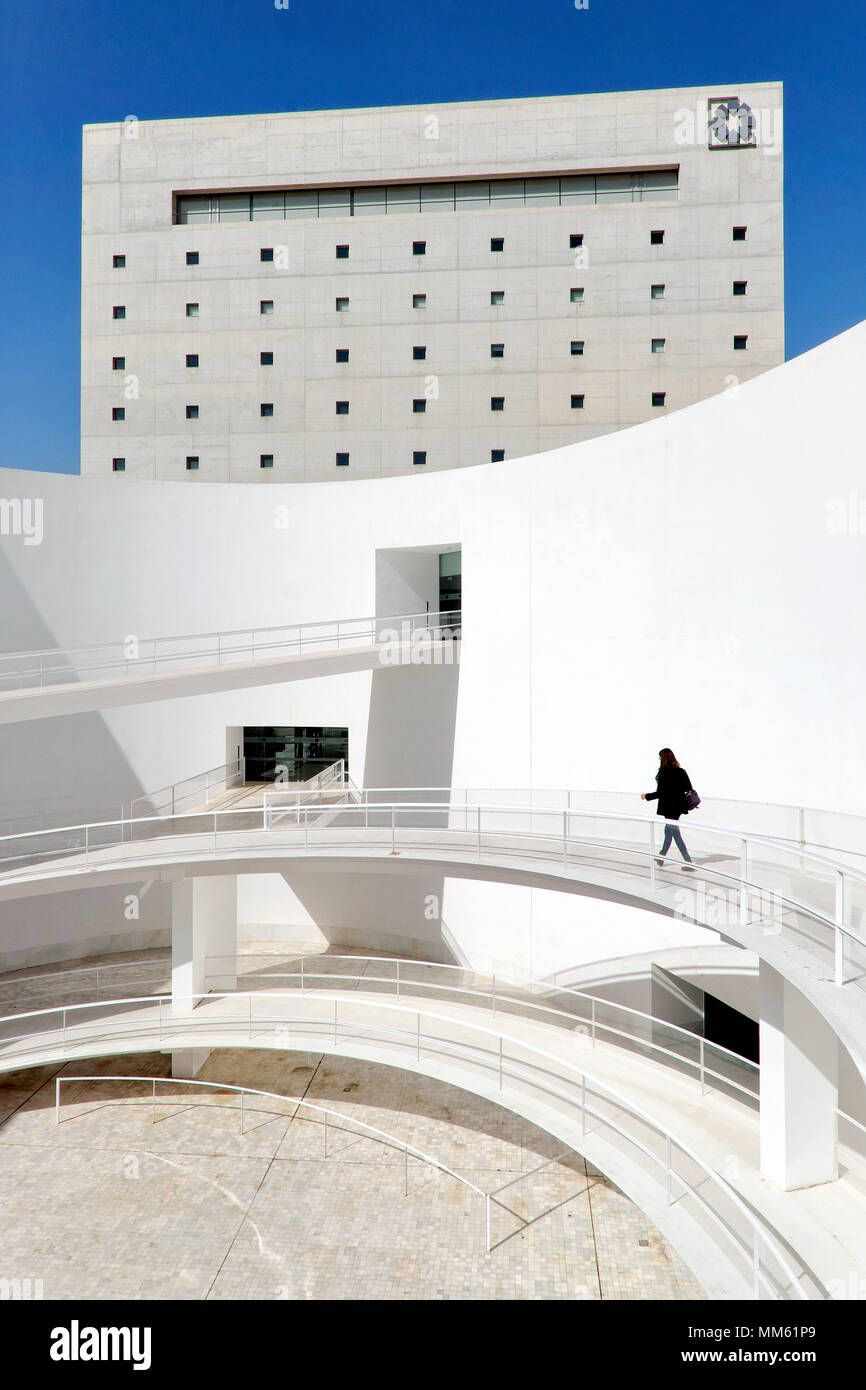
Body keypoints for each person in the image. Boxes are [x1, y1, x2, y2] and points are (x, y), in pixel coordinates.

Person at [641, 748, 695, 870]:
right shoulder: (681, 771)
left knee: (675, 833)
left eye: (660, 757)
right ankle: (661, 857)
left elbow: (660, 793)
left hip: (668, 807)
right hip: (679, 807)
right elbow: (689, 788)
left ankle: (688, 862)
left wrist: (646, 796)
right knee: (669, 831)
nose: (659, 759)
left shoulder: (663, 773)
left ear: (663, 758)